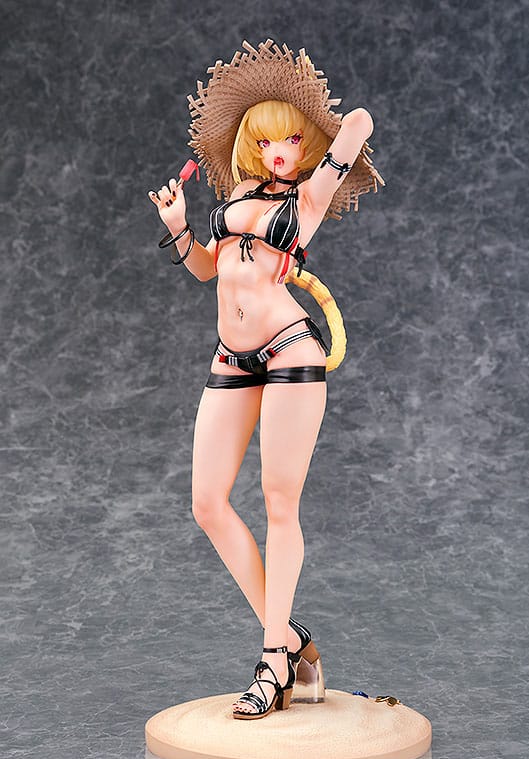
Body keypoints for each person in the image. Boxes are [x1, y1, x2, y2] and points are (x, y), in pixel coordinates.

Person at [148, 40, 384, 721]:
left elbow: (360, 123)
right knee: (207, 503)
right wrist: (179, 229)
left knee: (280, 502)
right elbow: (208, 271)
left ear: (307, 144)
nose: (280, 151)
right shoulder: (238, 194)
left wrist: (329, 124)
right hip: (231, 354)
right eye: (267, 140)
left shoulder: (309, 196)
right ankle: (290, 637)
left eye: (292, 139)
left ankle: (273, 660)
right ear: (250, 146)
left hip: (288, 349)